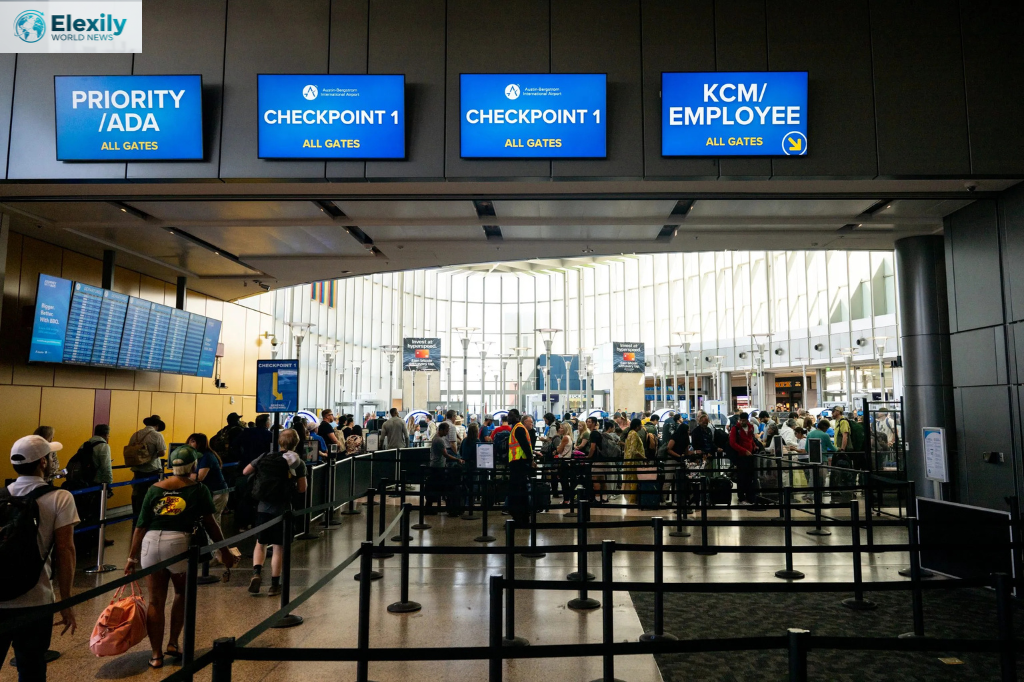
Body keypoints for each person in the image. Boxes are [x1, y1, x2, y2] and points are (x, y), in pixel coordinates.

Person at [125, 445, 235, 668]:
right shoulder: (198, 489)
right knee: (181, 593)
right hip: (179, 543)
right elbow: (210, 523)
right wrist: (224, 549)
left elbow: (140, 525)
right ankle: (173, 643)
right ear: (192, 466)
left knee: (155, 601)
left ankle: (156, 655)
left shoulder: (154, 489)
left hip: (150, 544)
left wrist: (131, 558)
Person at [1, 435, 78, 680]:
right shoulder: (60, 498)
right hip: (37, 599)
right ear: (43, 462)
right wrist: (66, 601)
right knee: (31, 667)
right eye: (51, 456)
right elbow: (65, 551)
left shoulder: (1, 496)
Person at [243, 429, 307, 596]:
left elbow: (245, 471)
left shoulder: (265, 457)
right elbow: (302, 488)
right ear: (296, 443)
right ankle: (274, 584)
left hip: (263, 507)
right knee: (278, 547)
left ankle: (256, 573)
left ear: (279, 442)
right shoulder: (297, 462)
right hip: (283, 509)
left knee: (260, 543)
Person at [129, 415, 167, 527]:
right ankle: (156, 517)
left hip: (137, 470)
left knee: (138, 494)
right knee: (157, 494)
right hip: (152, 469)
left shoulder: (135, 435)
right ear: (157, 425)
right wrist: (150, 455)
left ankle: (137, 519)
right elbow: (162, 452)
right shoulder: (157, 435)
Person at [189, 433, 229, 526]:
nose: (189, 444)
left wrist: (184, 475)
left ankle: (215, 540)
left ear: (200, 443)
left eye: (193, 441)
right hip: (209, 492)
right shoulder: (199, 456)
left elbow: (200, 477)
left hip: (217, 493)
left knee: (213, 520)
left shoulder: (206, 456)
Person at [426, 422, 463, 513]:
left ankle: (429, 508)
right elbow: (445, 454)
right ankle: (448, 508)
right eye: (446, 431)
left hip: (435, 466)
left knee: (434, 488)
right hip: (438, 467)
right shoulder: (439, 440)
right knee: (443, 487)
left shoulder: (436, 438)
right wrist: (456, 459)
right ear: (441, 430)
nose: (447, 433)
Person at [506, 409, 534, 524]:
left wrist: (531, 460)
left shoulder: (518, 428)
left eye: (510, 416)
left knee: (519, 492)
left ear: (517, 417)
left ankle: (521, 517)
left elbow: (525, 446)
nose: (508, 418)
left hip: (519, 464)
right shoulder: (517, 428)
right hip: (517, 463)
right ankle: (520, 516)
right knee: (519, 491)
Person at [729, 412, 758, 505]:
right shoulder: (735, 429)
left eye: (744, 420)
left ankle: (750, 497)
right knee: (741, 478)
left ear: (747, 420)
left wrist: (754, 446)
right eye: (741, 420)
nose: (742, 422)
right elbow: (732, 443)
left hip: (749, 456)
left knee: (749, 478)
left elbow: (751, 439)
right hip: (740, 456)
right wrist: (743, 450)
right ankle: (741, 498)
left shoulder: (751, 427)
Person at [622, 419, 646, 505]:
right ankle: (632, 500)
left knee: (631, 481)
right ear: (637, 426)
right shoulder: (635, 434)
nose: (641, 426)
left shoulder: (630, 433)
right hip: (634, 462)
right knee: (634, 482)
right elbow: (634, 450)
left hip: (629, 461)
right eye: (640, 425)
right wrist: (643, 458)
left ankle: (631, 500)